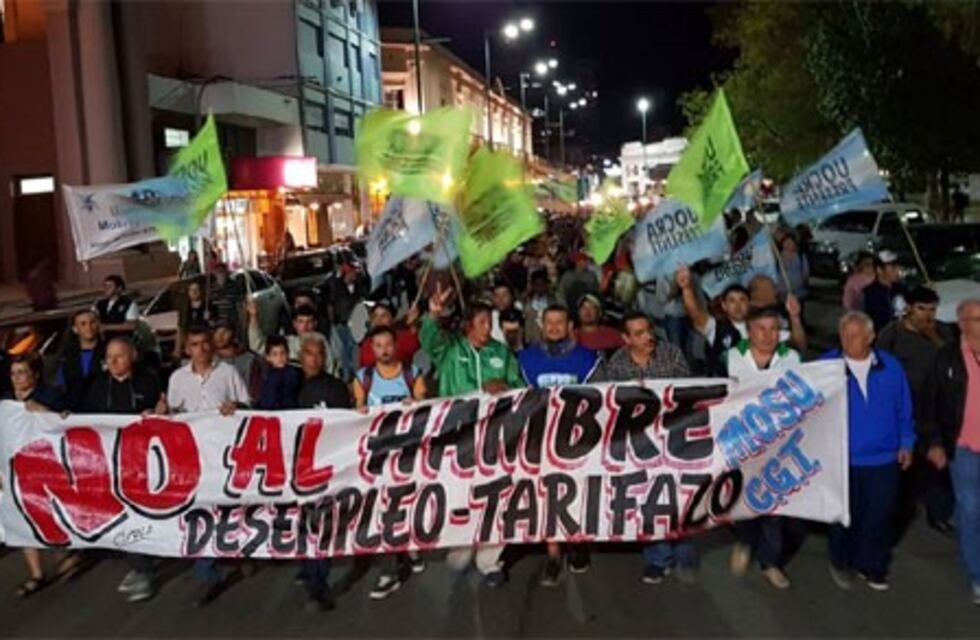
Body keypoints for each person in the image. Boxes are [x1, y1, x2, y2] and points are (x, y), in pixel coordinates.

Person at [419, 283, 522, 586]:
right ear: (467, 326)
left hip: (496, 437)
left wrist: (505, 388)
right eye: (481, 323)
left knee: (496, 497)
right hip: (460, 437)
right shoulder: (450, 351)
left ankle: (490, 561)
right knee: (462, 494)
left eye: (490, 322)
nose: (487, 327)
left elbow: (519, 388)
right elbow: (429, 339)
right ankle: (462, 546)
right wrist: (433, 314)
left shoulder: (501, 353)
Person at [591, 311, 697, 585]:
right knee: (650, 500)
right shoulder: (616, 364)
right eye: (638, 334)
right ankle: (658, 558)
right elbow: (604, 400)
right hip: (638, 444)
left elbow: (688, 394)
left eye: (648, 330)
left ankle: (684, 554)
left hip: (672, 438)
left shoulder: (671, 354)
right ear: (626, 339)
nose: (648, 337)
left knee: (679, 497)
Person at [823, 311, 914, 592]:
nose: (848, 340)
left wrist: (907, 442)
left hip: (883, 459)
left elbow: (904, 407)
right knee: (845, 516)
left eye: (854, 334)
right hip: (842, 459)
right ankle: (841, 560)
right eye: (844, 335)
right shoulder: (826, 367)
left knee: (879, 514)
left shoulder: (891, 366)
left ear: (870, 337)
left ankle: (872, 565)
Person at [166, 325, 250, 606]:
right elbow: (173, 415)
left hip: (225, 452)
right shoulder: (177, 378)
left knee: (227, 506)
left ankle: (235, 550)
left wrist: (236, 407)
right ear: (187, 348)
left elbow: (250, 408)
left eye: (204, 343)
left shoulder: (228, 373)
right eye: (194, 344)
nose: (200, 349)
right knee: (199, 510)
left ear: (211, 346)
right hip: (192, 456)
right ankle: (207, 572)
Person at [80, 338, 166, 603]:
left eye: (119, 356)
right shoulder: (98, 386)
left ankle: (143, 566)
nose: (114, 362)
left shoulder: (149, 382)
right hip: (111, 465)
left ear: (133, 356)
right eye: (109, 356)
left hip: (144, 463)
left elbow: (165, 416)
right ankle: (140, 567)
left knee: (142, 513)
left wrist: (159, 412)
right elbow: (84, 420)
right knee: (122, 514)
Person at [518, 305, 599, 585]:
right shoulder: (526, 359)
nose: (553, 328)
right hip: (541, 438)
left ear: (569, 325)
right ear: (542, 325)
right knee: (547, 498)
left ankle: (577, 545)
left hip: (578, 438)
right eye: (549, 323)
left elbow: (603, 397)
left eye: (559, 322)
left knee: (578, 494)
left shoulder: (588, 359)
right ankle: (553, 555)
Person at [726, 307, 801, 590]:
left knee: (774, 509)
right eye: (761, 329)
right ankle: (745, 542)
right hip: (742, 442)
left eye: (773, 329)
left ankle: (770, 562)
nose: (768, 335)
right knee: (745, 501)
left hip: (779, 444)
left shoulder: (791, 358)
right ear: (749, 330)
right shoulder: (732, 357)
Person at [351, 326, 427, 599]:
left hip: (407, 455)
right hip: (378, 458)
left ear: (396, 346)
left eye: (388, 344)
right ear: (372, 349)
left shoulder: (412, 375)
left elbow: (425, 406)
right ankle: (389, 570)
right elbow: (357, 414)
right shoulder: (363, 378)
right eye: (378, 345)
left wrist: (415, 404)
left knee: (406, 506)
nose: (383, 350)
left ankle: (409, 548)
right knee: (382, 510)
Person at [877, 286, 957, 534]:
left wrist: (935, 338)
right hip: (905, 411)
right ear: (910, 307)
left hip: (938, 410)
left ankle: (939, 512)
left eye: (932, 309)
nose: (927, 315)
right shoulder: (892, 334)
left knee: (939, 465)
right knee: (906, 469)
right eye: (922, 309)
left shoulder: (942, 330)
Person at [3, 353, 80, 598]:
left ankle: (68, 552)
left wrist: (42, 411)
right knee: (22, 518)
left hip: (46, 465)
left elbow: (65, 424)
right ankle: (36, 573)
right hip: (15, 468)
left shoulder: (51, 396)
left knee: (53, 514)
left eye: (22, 372)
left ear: (35, 375)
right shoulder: (5, 403)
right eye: (14, 373)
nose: (17, 378)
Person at [925, 299, 980, 605]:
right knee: (971, 510)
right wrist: (933, 442)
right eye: (978, 318)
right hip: (963, 449)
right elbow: (930, 403)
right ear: (963, 324)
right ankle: (977, 575)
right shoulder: (946, 359)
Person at [295, 334, 352, 610]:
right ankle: (307, 569)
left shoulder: (336, 388)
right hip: (292, 468)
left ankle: (317, 587)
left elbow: (346, 425)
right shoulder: (287, 385)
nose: (314, 359)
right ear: (299, 355)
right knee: (300, 526)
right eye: (308, 353)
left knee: (321, 527)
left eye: (319, 354)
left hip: (325, 467)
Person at [248, 302, 334, 373]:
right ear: (295, 324)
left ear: (315, 324)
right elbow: (257, 345)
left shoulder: (321, 341)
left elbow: (331, 368)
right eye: (301, 322)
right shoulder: (288, 342)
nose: (305, 326)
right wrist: (253, 316)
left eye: (309, 322)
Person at [56, 309, 106, 412]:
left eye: (92, 322)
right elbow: (61, 387)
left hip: (104, 410)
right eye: (83, 324)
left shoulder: (110, 351)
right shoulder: (66, 356)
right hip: (75, 411)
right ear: (75, 329)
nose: (89, 327)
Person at [327, 262, 368, 381]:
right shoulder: (336, 287)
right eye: (352, 272)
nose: (354, 275)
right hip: (342, 322)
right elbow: (331, 305)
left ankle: (356, 374)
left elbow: (364, 300)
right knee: (344, 350)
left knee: (354, 348)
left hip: (356, 322)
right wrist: (334, 320)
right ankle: (346, 375)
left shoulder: (359, 286)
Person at [214, 320, 265, 403]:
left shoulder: (249, 360)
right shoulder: (207, 359)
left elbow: (255, 394)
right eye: (216, 332)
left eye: (225, 331)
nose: (220, 336)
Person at [357, 302, 420, 368]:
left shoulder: (403, 338)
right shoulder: (366, 344)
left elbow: (420, 339)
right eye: (375, 316)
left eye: (384, 315)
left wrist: (413, 323)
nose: (379, 320)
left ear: (392, 319)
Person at [863, 250, 906, 333]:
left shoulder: (902, 289)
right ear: (879, 270)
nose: (897, 270)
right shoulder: (868, 294)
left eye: (897, 266)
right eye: (893, 267)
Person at [257, 335, 302, 410]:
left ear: (288, 354)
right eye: (275, 354)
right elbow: (268, 401)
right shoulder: (269, 378)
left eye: (282, 353)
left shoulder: (295, 373)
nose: (279, 357)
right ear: (268, 357)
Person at [208, 263, 242, 328]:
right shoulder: (212, 289)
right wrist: (210, 319)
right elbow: (209, 307)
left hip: (230, 323)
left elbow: (239, 305)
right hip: (216, 322)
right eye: (218, 272)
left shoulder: (234, 286)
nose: (221, 274)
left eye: (222, 272)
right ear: (215, 274)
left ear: (226, 273)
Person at [777, 235, 809, 302]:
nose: (788, 244)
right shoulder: (777, 256)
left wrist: (802, 282)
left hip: (798, 291)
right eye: (786, 242)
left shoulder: (800, 255)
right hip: (781, 292)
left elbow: (805, 272)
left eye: (790, 242)